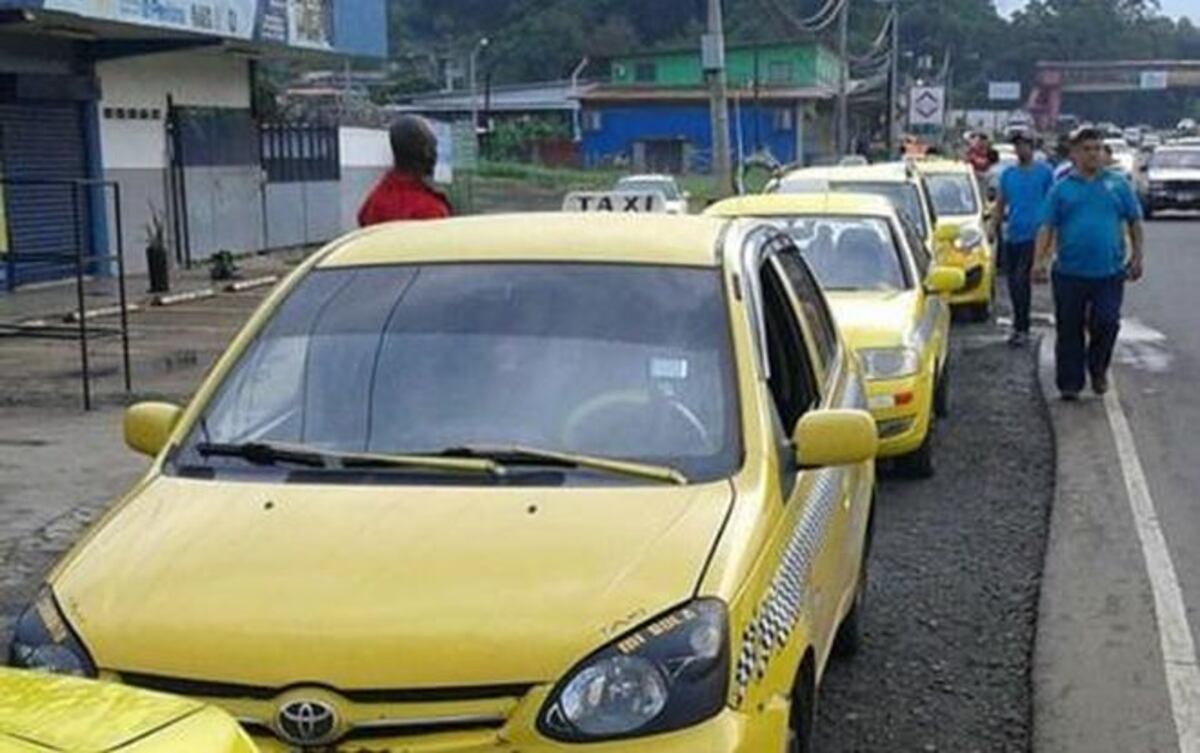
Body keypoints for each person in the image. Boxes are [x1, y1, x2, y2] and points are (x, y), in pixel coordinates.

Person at [1034, 127, 1145, 401]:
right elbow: (1047, 226)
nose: (1093, 154)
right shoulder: (1062, 189)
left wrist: (1137, 256)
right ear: (1074, 154)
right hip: (1069, 272)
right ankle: (1070, 382)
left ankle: (1098, 368)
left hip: (1108, 272)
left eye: (1097, 148)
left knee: (1106, 322)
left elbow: (1134, 221)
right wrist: (1039, 261)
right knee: (1069, 327)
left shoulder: (1118, 185)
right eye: (1087, 149)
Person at [994, 133, 1054, 347]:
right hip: (1014, 234)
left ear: (1032, 148)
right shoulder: (1008, 174)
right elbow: (1001, 203)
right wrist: (994, 227)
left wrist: (1050, 241)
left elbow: (1053, 202)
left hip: (1035, 235)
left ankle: (1022, 327)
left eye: (1024, 146)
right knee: (1013, 283)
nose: (1021, 150)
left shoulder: (1045, 173)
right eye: (1017, 146)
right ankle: (1019, 325)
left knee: (1021, 280)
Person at [357, 115, 451, 227]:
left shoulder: (376, 200)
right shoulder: (429, 210)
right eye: (433, 146)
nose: (435, 154)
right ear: (425, 152)